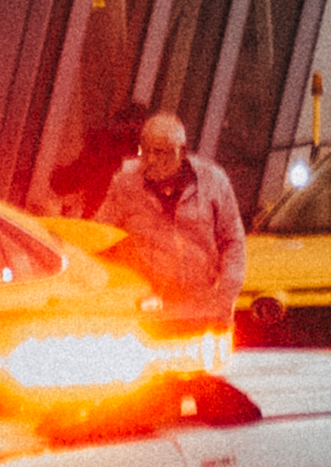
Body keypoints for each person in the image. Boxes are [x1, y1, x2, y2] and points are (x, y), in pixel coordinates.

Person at [101, 111, 246, 328]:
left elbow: (233, 242)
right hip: (143, 305)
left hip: (200, 305)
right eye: (145, 150)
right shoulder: (125, 183)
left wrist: (225, 299)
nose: (150, 160)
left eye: (160, 153)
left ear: (182, 152)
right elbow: (102, 235)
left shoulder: (213, 181)